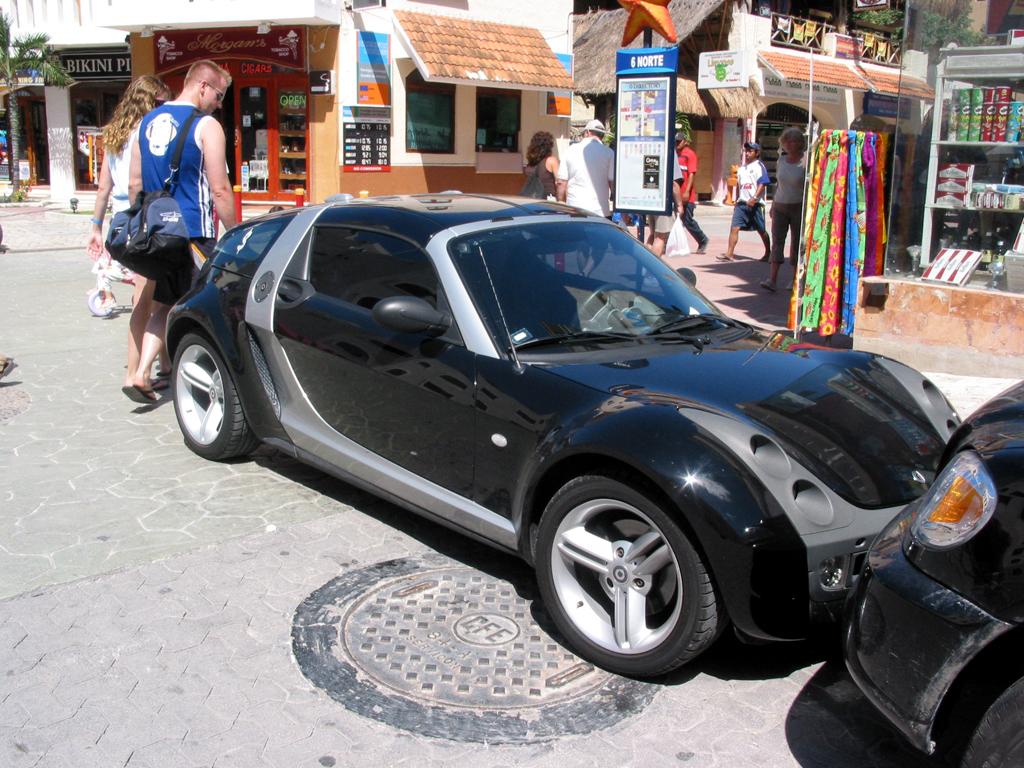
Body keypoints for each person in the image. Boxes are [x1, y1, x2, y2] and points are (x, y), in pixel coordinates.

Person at [124, 59, 236, 404]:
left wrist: (145, 225)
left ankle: (141, 372)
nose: (219, 103)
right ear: (202, 86)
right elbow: (219, 188)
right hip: (194, 233)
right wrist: (235, 233)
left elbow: (134, 184)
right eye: (219, 95)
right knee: (207, 306)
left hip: (159, 232)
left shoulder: (146, 122)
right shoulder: (206, 126)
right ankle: (208, 379)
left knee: (164, 305)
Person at [86, 75, 172, 392]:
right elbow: (139, 183)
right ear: (151, 102)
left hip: (120, 220)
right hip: (142, 217)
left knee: (155, 295)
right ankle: (138, 372)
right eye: (161, 102)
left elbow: (103, 188)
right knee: (147, 300)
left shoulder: (114, 135)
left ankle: (163, 364)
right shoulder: (147, 134)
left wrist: (96, 227)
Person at [761, 127, 806, 292]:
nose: (790, 143)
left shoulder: (806, 161)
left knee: (796, 244)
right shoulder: (781, 160)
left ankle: (794, 280)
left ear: (800, 143)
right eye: (787, 140)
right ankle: (772, 279)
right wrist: (772, 204)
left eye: (793, 140)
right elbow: (778, 184)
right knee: (777, 242)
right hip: (780, 205)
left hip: (798, 205)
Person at [719, 141, 771, 262]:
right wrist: (736, 200)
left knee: (761, 230)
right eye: (746, 151)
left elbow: (763, 183)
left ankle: (768, 252)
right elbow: (739, 186)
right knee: (734, 228)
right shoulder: (742, 169)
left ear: (757, 153)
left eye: (750, 151)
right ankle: (729, 253)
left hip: (756, 204)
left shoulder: (759, 166)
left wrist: (754, 198)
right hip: (742, 204)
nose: (747, 153)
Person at [556, 119, 614, 217]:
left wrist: (561, 202)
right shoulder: (609, 153)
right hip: (600, 211)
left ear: (587, 132)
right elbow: (612, 182)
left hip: (575, 209)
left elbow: (561, 182)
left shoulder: (570, 150)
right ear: (602, 136)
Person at [675, 131, 709, 254]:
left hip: (686, 194)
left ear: (685, 142)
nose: (677, 144)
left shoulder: (690, 154)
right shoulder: (673, 153)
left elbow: (691, 174)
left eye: (679, 141)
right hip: (675, 193)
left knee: (687, 220)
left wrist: (687, 192)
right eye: (676, 141)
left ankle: (702, 239)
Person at [645, 155, 684, 260]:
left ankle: (645, 265)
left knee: (653, 235)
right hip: (663, 201)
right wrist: (679, 205)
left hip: (649, 197)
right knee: (660, 237)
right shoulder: (669, 148)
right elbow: (674, 183)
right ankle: (651, 269)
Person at [522, 131, 559, 199]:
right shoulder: (551, 160)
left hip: (530, 199)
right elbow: (559, 182)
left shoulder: (531, 163)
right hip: (547, 199)